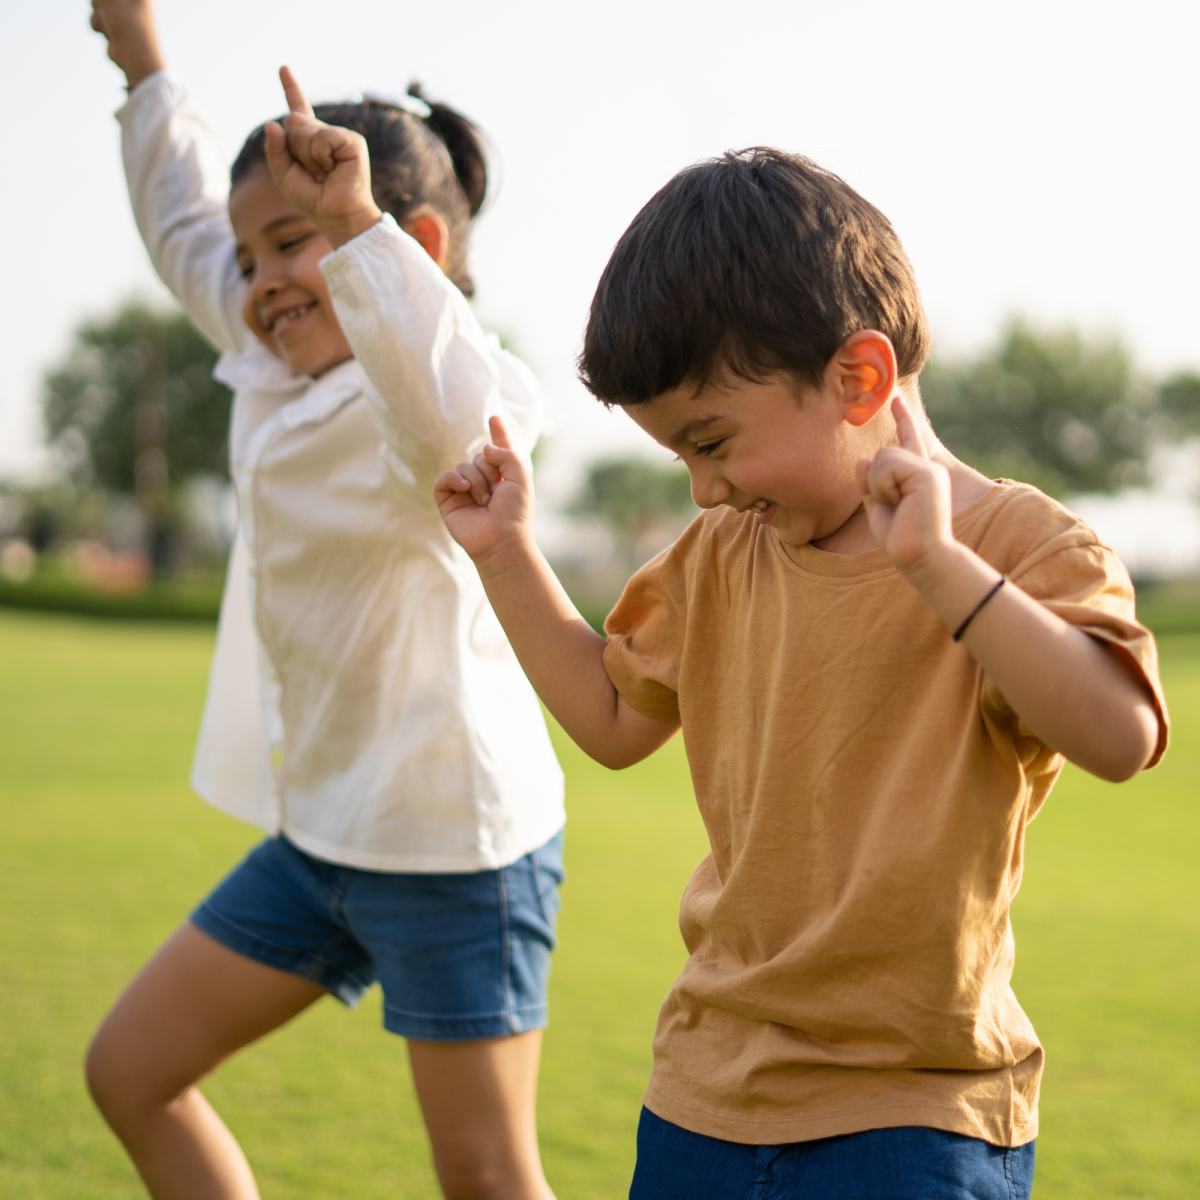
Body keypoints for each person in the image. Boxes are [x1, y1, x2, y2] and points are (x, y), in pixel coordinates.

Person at [434, 148, 1169, 1199]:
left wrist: (938, 564)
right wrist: (506, 553)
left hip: (917, 1115)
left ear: (857, 378)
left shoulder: (1017, 548)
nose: (702, 490)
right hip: (705, 1093)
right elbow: (610, 719)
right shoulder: (719, 558)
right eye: (680, 457)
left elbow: (1119, 737)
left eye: (714, 441)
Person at [85, 4, 565, 1199]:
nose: (260, 282)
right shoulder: (267, 362)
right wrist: (144, 63)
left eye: (292, 243)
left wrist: (349, 226)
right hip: (322, 840)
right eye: (253, 261)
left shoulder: (446, 388)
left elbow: (455, 418)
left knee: (488, 1180)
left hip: (455, 849)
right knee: (129, 1071)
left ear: (415, 245)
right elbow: (186, 223)